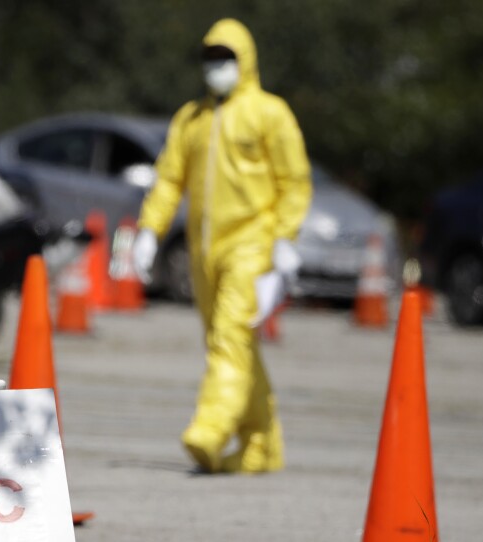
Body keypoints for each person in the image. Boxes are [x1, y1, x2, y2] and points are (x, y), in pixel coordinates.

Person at [132, 18, 313, 473]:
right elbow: (170, 179)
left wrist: (284, 243)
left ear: (244, 60)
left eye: (225, 57)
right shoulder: (190, 119)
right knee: (230, 344)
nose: (216, 67)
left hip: (251, 244)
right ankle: (261, 446)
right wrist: (150, 230)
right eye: (209, 58)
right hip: (203, 252)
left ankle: (209, 431)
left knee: (230, 338)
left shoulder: (270, 113)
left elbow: (294, 182)